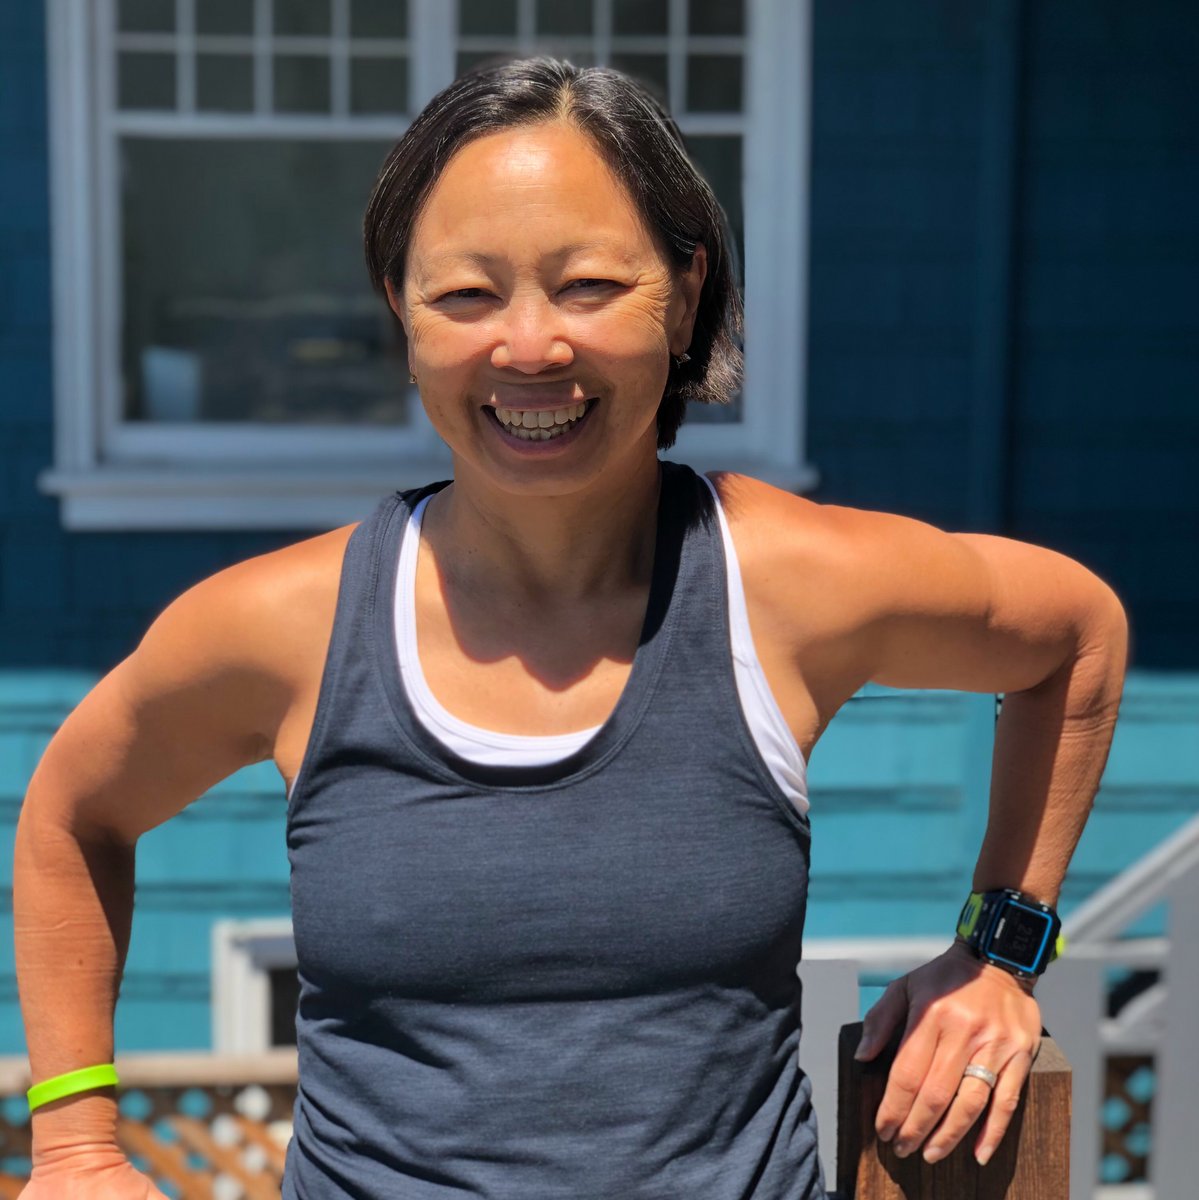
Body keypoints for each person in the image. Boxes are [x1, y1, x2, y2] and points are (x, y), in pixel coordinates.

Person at [14, 56, 1129, 1200]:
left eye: (589, 286)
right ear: (400, 308)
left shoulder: (784, 583)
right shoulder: (281, 627)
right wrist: (74, 1143)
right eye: (465, 295)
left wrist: (1000, 950)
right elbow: (72, 815)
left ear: (684, 295)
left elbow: (1075, 638)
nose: (531, 347)